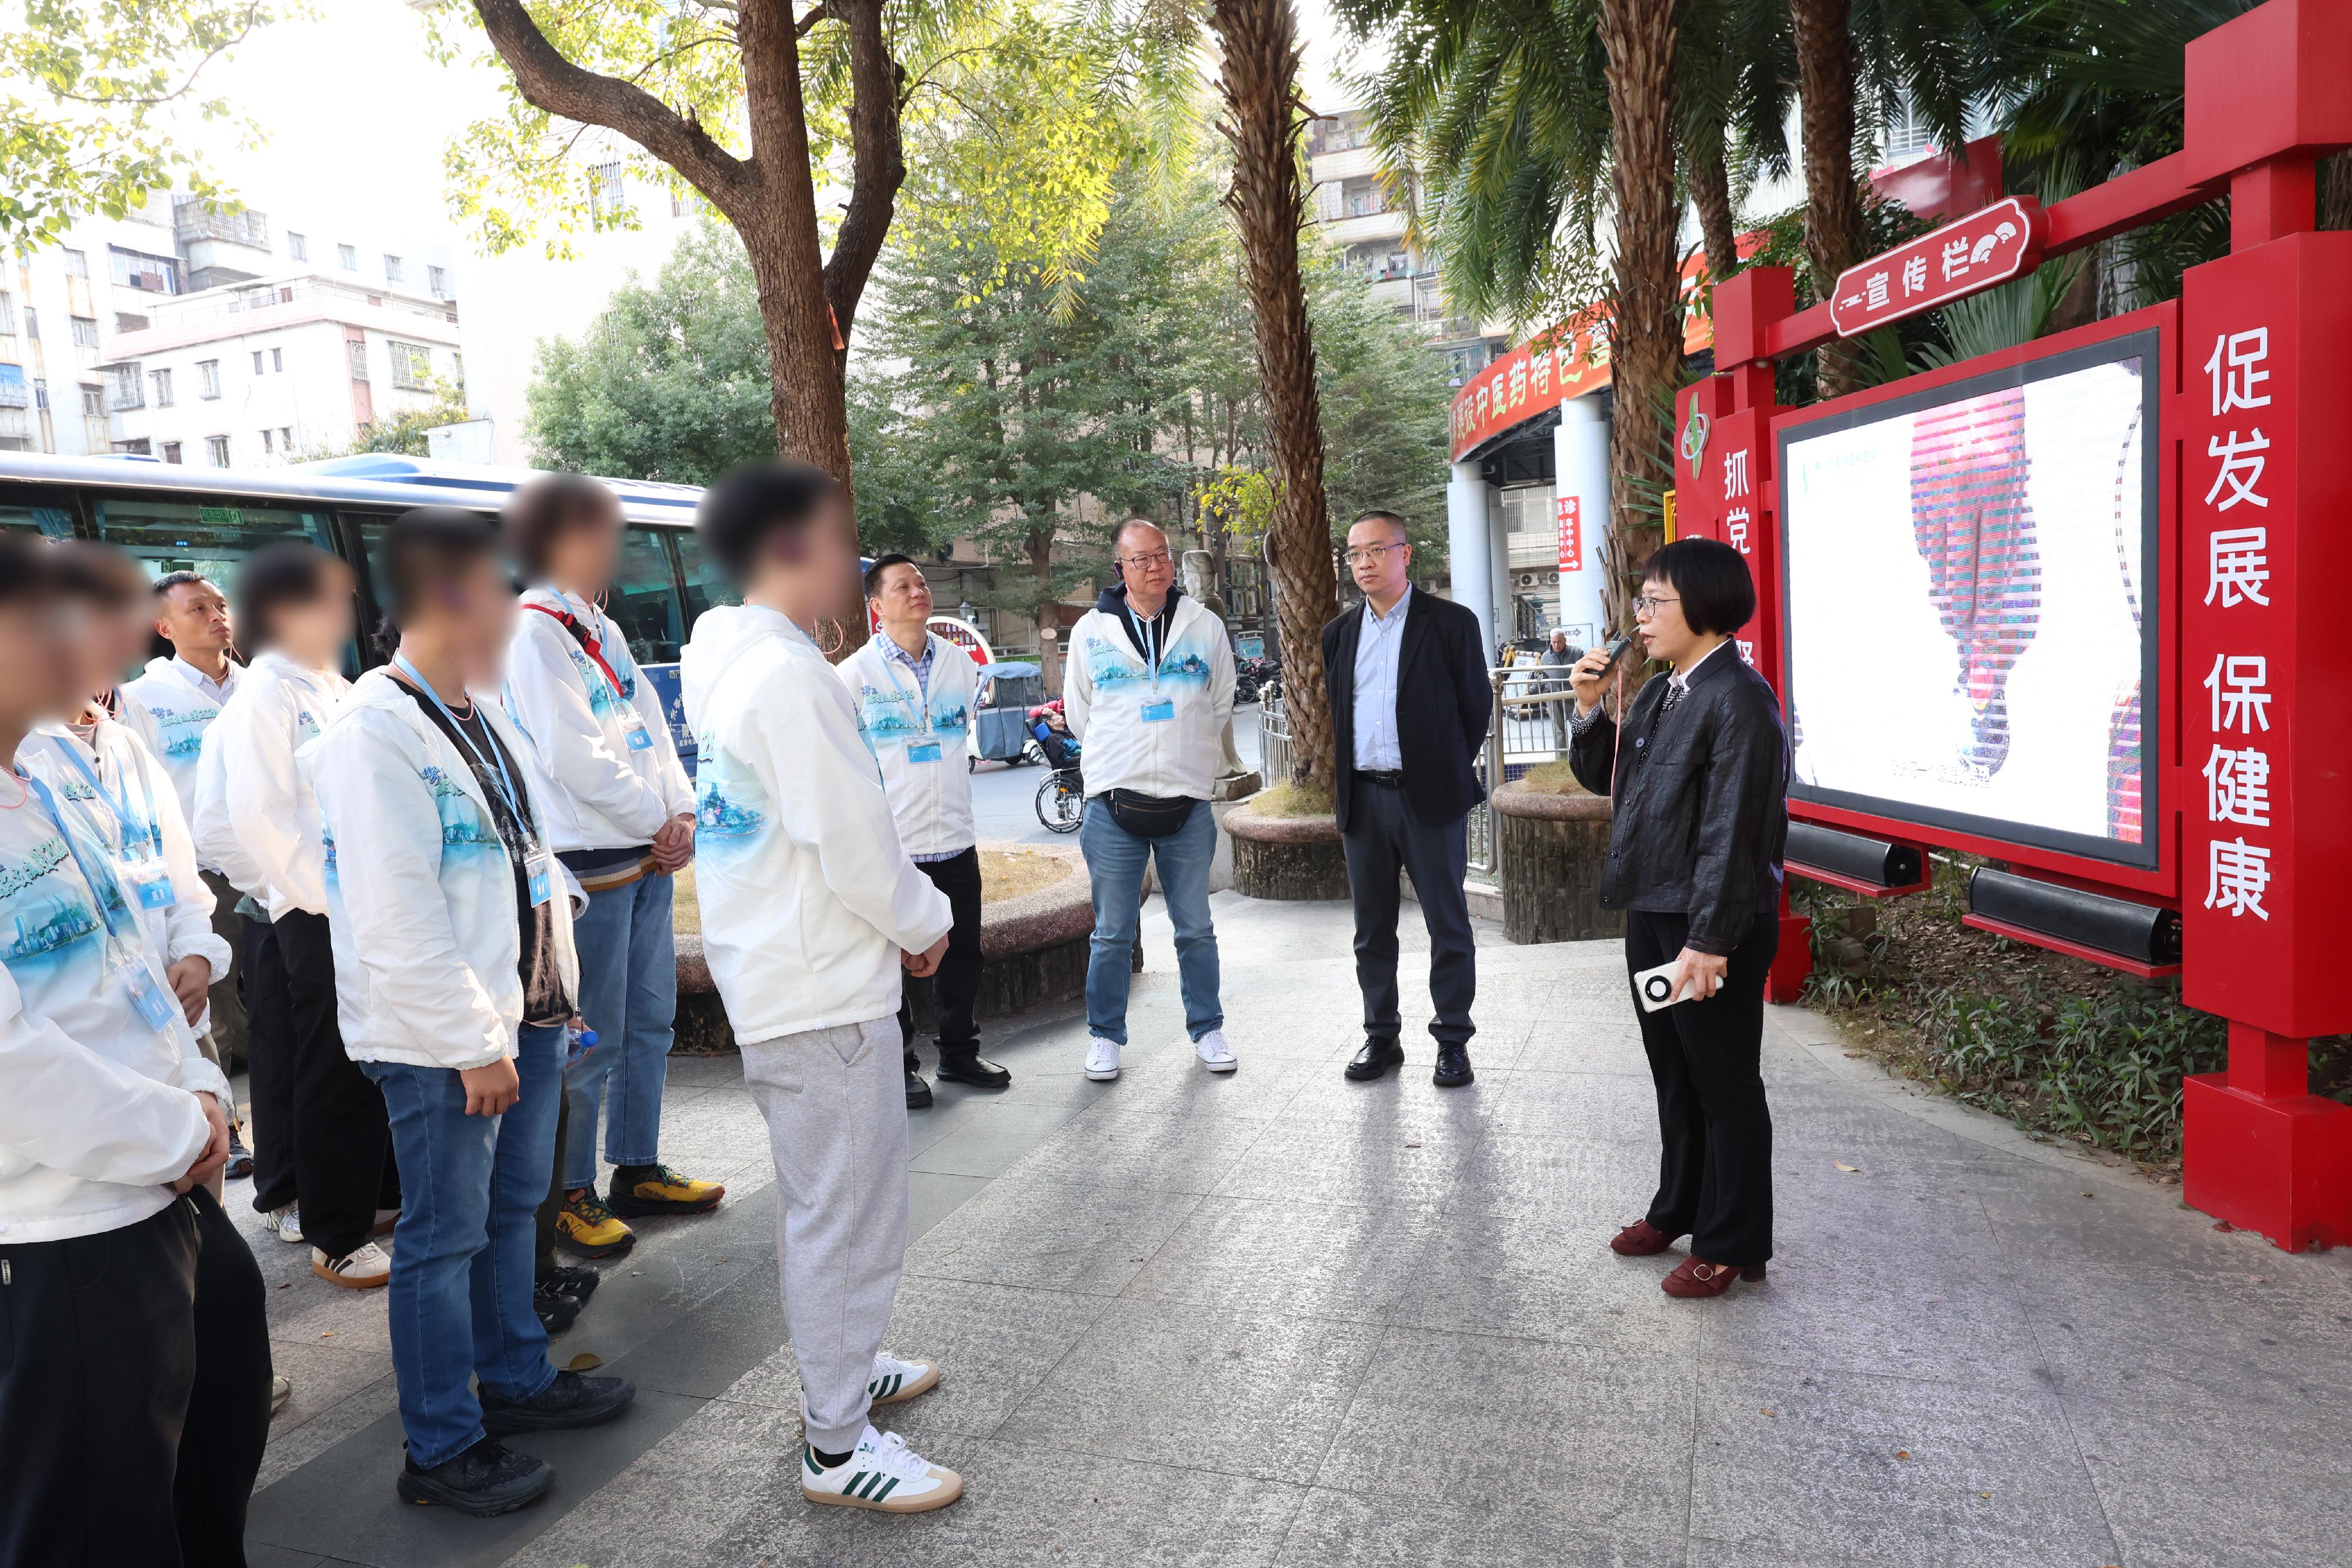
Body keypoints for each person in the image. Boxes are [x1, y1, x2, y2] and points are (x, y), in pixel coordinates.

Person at [308, 507, 635, 1516]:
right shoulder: (375, 730)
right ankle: (441, 1444)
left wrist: (555, 998)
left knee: (510, 1205)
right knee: (444, 1235)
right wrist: (468, 1043)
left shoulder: (476, 714)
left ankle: (515, 1376)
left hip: (521, 1015)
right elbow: (395, 913)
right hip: (444, 1040)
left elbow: (526, 861)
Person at [680, 461, 963, 1515]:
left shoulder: (735, 663)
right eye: (840, 540)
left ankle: (848, 1362)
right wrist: (924, 922)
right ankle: (837, 1442)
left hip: (790, 977)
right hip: (820, 988)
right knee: (843, 1213)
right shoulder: (791, 679)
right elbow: (852, 842)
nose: (855, 561)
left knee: (830, 1204)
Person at [0, 531, 272, 1567]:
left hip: (163, 1177)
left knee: (215, 1427)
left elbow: (133, 950)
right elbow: (12, 1061)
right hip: (61, 1221)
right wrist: (179, 1128)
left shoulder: (51, 773)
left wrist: (198, 1088)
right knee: (93, 1512)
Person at [499, 474, 720, 1268]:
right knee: (590, 1039)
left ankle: (637, 1166)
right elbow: (572, 755)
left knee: (649, 1022)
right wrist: (656, 819)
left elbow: (650, 726)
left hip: (646, 852)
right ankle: (569, 1192)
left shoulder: (600, 627)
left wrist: (682, 811)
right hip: (593, 862)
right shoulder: (533, 632)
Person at [1566, 537, 1789, 1299]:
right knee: (1676, 1070)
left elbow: (1736, 833)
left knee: (1723, 1081)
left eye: (1655, 601)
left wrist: (1710, 939)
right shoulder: (1663, 691)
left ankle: (1734, 1240)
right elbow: (1608, 781)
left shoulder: (1741, 700)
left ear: (1705, 604)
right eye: (1642, 601)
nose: (1641, 615)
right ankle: (1679, 1207)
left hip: (1708, 925)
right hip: (1656, 911)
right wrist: (1590, 708)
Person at [195, 541, 398, 1289]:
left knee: (370, 1058)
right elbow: (256, 819)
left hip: (358, 903)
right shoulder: (268, 694)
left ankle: (376, 1198)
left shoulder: (333, 684)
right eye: (331, 599)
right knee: (332, 1069)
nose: (348, 612)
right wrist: (314, 897)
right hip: (316, 911)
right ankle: (335, 1234)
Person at [1064, 519, 1240, 1082]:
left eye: (1162, 554)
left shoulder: (1203, 624)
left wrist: (1187, 757)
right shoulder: (1091, 631)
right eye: (1141, 559)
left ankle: (1208, 1028)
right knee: (1112, 931)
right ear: (1120, 568)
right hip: (1114, 804)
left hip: (1186, 803)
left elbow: (1220, 701)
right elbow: (1080, 713)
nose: (1156, 566)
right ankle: (1105, 1036)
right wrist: (1124, 757)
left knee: (1196, 927)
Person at [1321, 511, 1491, 1088]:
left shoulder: (1450, 623)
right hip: (1364, 801)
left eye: (1376, 550)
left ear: (1405, 553)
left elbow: (1475, 708)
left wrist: (1439, 768)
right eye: (1354, 554)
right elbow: (1338, 713)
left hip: (1430, 799)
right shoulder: (1338, 634)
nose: (1364, 562)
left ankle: (1452, 1040)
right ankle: (1381, 1035)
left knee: (1447, 924)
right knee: (1372, 929)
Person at [840, 553, 1013, 1108]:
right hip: (894, 844)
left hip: (954, 835)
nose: (918, 591)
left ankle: (960, 1052)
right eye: (902, 586)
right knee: (891, 962)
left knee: (963, 952)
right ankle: (900, 1066)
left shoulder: (960, 664)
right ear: (876, 606)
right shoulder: (854, 676)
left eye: (920, 582)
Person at [125, 569, 256, 1178]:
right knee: (214, 1008)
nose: (216, 616)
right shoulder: (144, 699)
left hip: (277, 871)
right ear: (164, 626)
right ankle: (227, 1129)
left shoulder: (259, 687)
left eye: (220, 604)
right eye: (197, 608)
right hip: (206, 877)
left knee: (273, 1005)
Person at [1539, 627, 1579, 750]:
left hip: (1573, 697)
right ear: (1550, 641)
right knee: (1558, 730)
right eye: (1554, 642)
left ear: (1565, 640)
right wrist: (1530, 691)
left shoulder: (1576, 653)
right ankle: (1561, 757)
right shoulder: (1545, 657)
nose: (1556, 645)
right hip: (1554, 697)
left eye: (1559, 642)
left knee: (1578, 728)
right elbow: (1542, 676)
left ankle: (1581, 755)